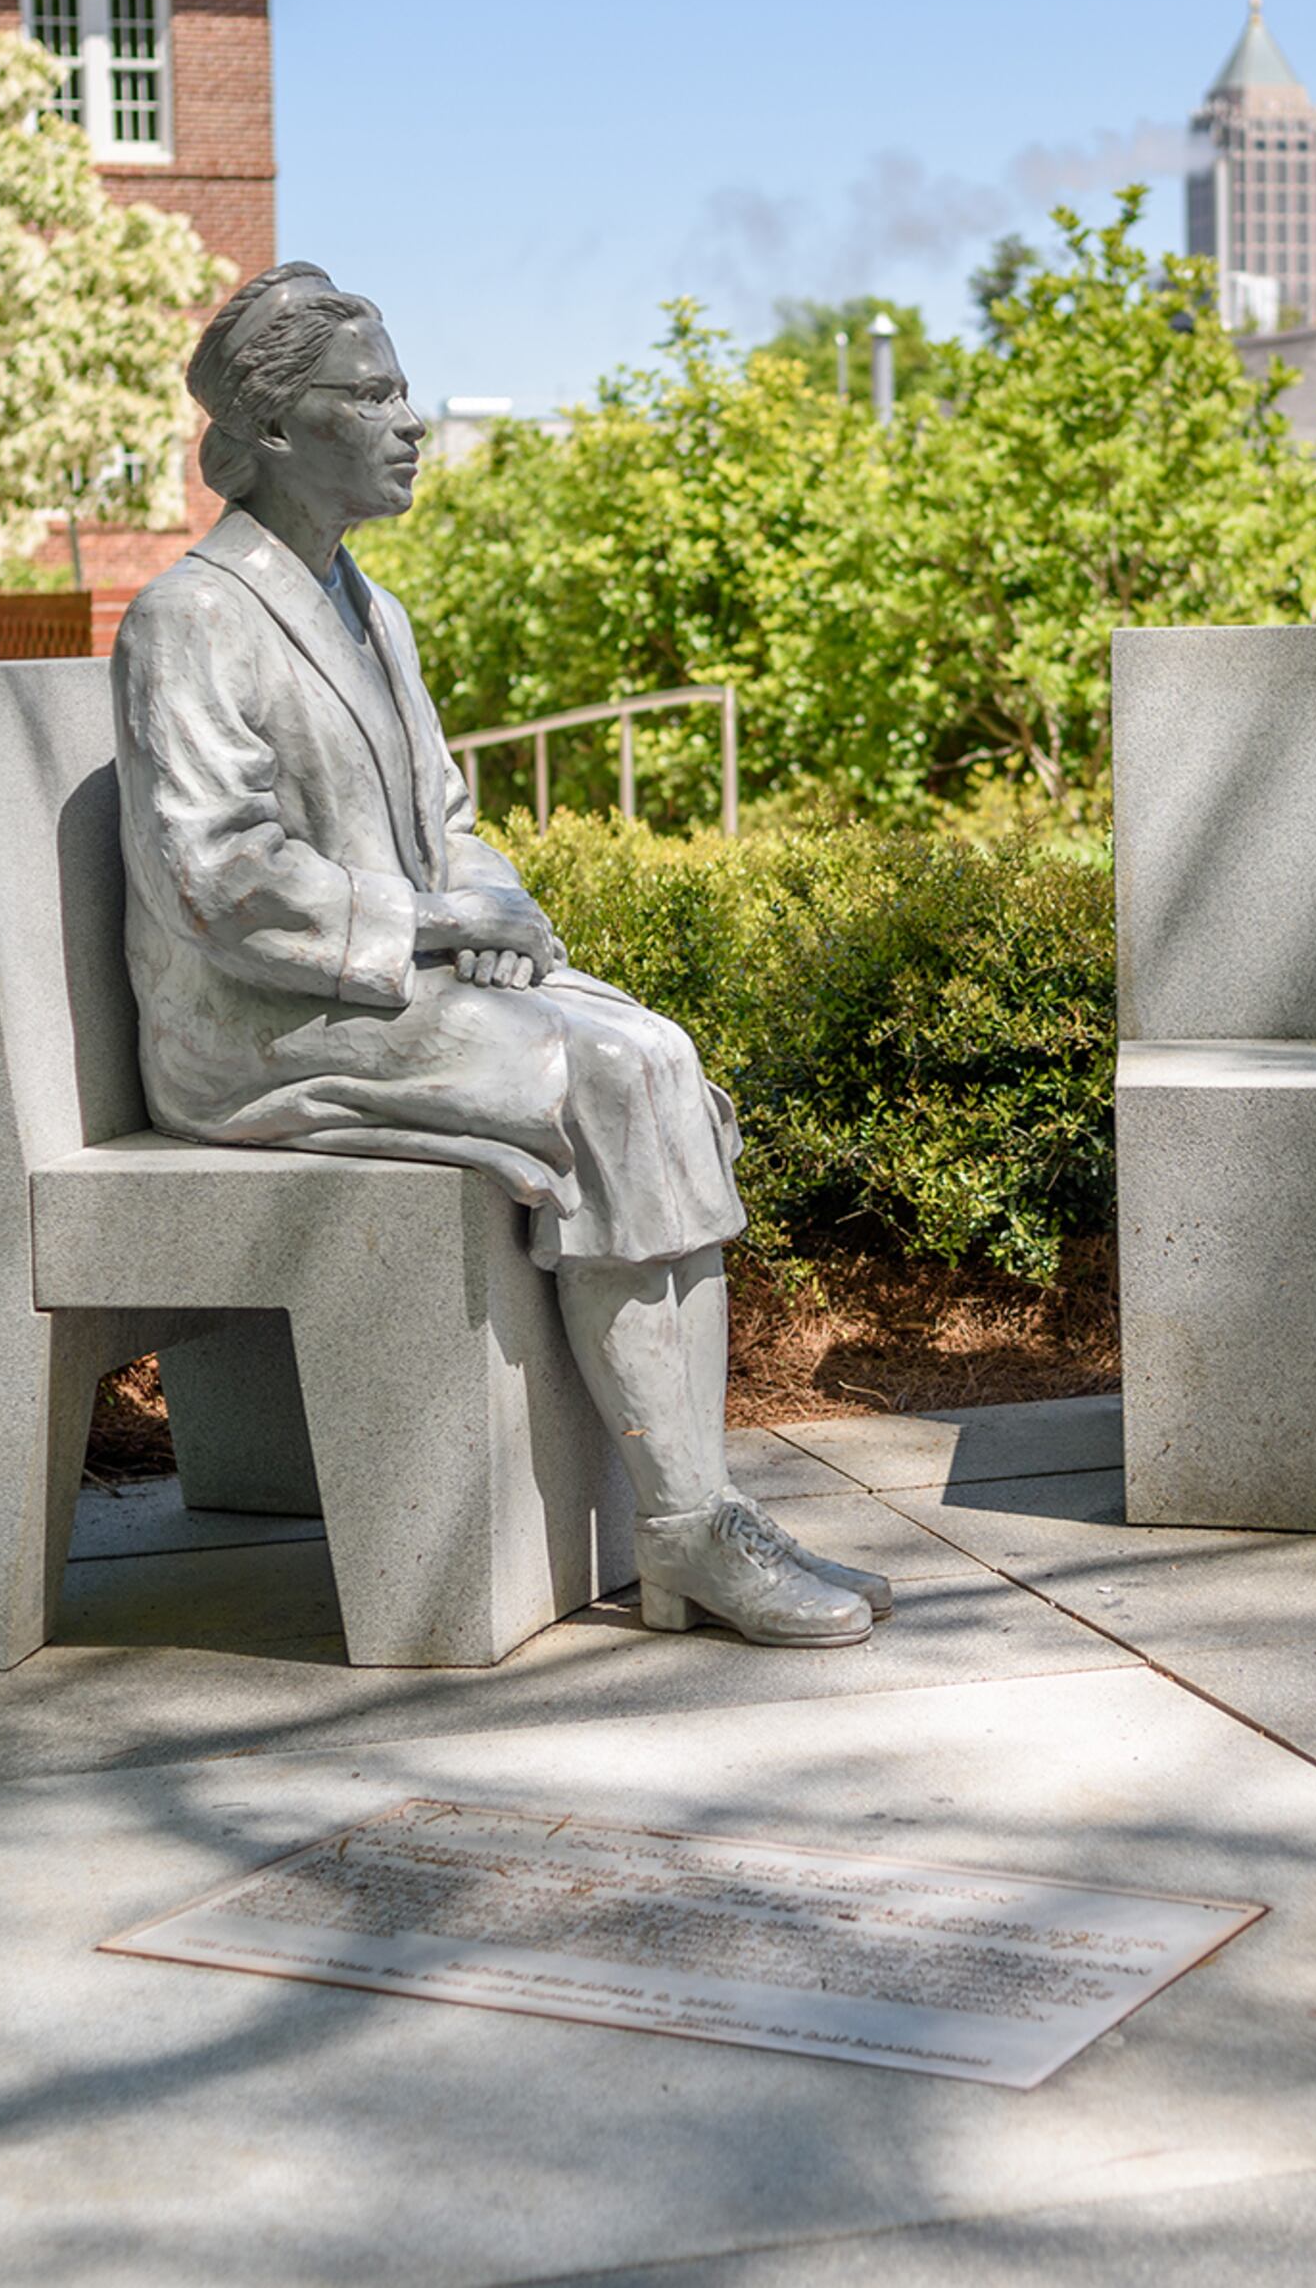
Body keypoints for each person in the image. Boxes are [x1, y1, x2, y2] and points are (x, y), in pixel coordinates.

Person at [110, 262, 889, 1649]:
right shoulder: (193, 617)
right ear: (277, 427)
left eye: (407, 391)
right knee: (612, 1081)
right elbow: (216, 878)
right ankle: (691, 1529)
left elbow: (449, 822)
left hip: (393, 982)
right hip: (259, 1023)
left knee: (655, 1055)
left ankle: (699, 1516)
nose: (409, 419)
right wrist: (439, 926)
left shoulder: (372, 609)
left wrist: (498, 915)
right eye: (375, 393)